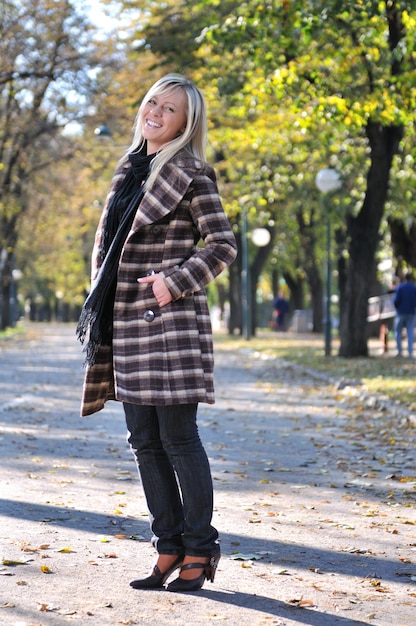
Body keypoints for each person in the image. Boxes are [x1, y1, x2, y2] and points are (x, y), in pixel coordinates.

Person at [77, 74, 237, 592]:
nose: (156, 112)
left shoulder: (192, 172)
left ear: (186, 124)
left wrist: (173, 282)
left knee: (178, 438)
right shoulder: (128, 170)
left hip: (167, 322)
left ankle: (200, 549)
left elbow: (222, 245)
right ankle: (167, 546)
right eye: (152, 102)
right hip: (125, 322)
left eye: (169, 109)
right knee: (143, 440)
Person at [393, 272, 416, 357]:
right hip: (411, 312)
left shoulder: (400, 287)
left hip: (400, 312)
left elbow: (396, 300)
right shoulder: (414, 288)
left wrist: (397, 307)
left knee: (398, 331)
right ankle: (410, 351)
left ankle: (399, 351)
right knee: (410, 331)